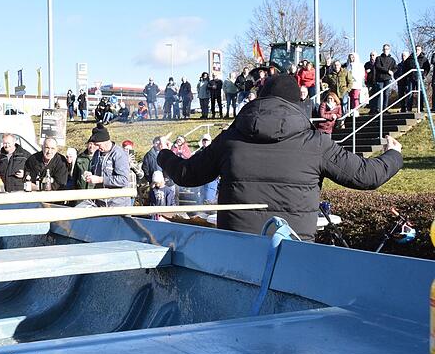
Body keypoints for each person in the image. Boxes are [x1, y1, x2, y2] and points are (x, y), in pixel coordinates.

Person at [156, 73, 403, 241]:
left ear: (261, 99)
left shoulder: (230, 139)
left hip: (237, 249)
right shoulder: (316, 143)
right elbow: (367, 176)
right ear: (297, 105)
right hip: (293, 251)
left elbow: (186, 174)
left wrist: (164, 154)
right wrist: (393, 155)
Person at [78, 123, 132, 207]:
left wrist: (100, 179)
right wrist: (89, 174)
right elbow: (94, 170)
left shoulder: (119, 154)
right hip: (100, 201)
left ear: (106, 141)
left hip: (117, 204)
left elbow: (123, 180)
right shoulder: (97, 153)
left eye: (98, 145)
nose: (97, 147)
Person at [402, 45, 431, 112]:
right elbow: (405, 68)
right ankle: (409, 108)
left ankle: (420, 108)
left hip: (420, 78)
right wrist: (407, 77)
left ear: (421, 50)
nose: (417, 51)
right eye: (416, 49)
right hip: (411, 78)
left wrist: (424, 75)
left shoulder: (424, 59)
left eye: (418, 49)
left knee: (421, 93)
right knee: (410, 93)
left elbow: (427, 68)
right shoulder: (409, 59)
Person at [372, 44, 396, 114]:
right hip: (380, 79)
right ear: (382, 50)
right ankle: (377, 108)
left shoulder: (392, 59)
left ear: (389, 50)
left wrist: (392, 72)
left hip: (387, 79)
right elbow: (378, 66)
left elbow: (395, 67)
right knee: (379, 93)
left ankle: (385, 109)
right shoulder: (378, 58)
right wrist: (387, 71)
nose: (386, 50)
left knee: (386, 94)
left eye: (387, 49)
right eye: (384, 49)